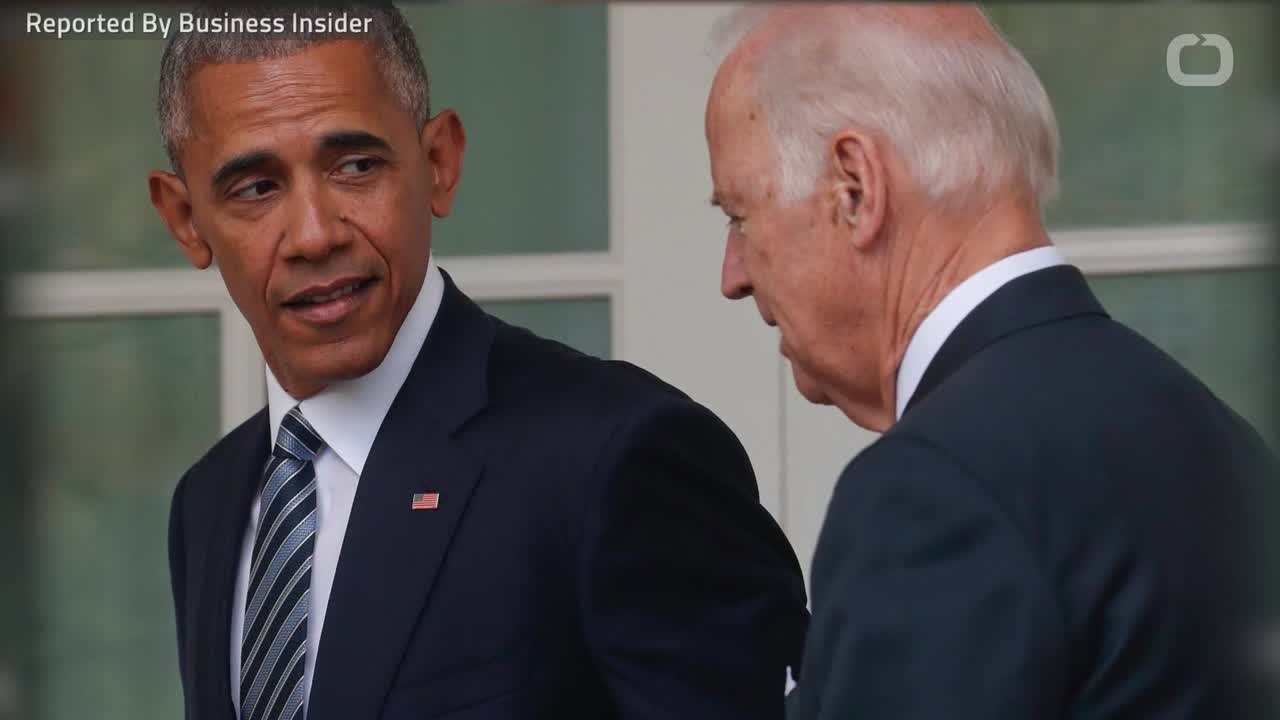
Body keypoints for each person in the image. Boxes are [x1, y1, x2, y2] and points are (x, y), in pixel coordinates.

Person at [150, 3, 808, 719]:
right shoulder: (209, 501)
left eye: (355, 166)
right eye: (257, 188)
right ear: (186, 220)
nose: (313, 235)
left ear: (439, 163)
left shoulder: (618, 456)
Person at [705, 3, 1275, 718]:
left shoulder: (935, 489)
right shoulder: (1218, 434)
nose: (733, 275)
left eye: (740, 216)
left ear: (855, 187)